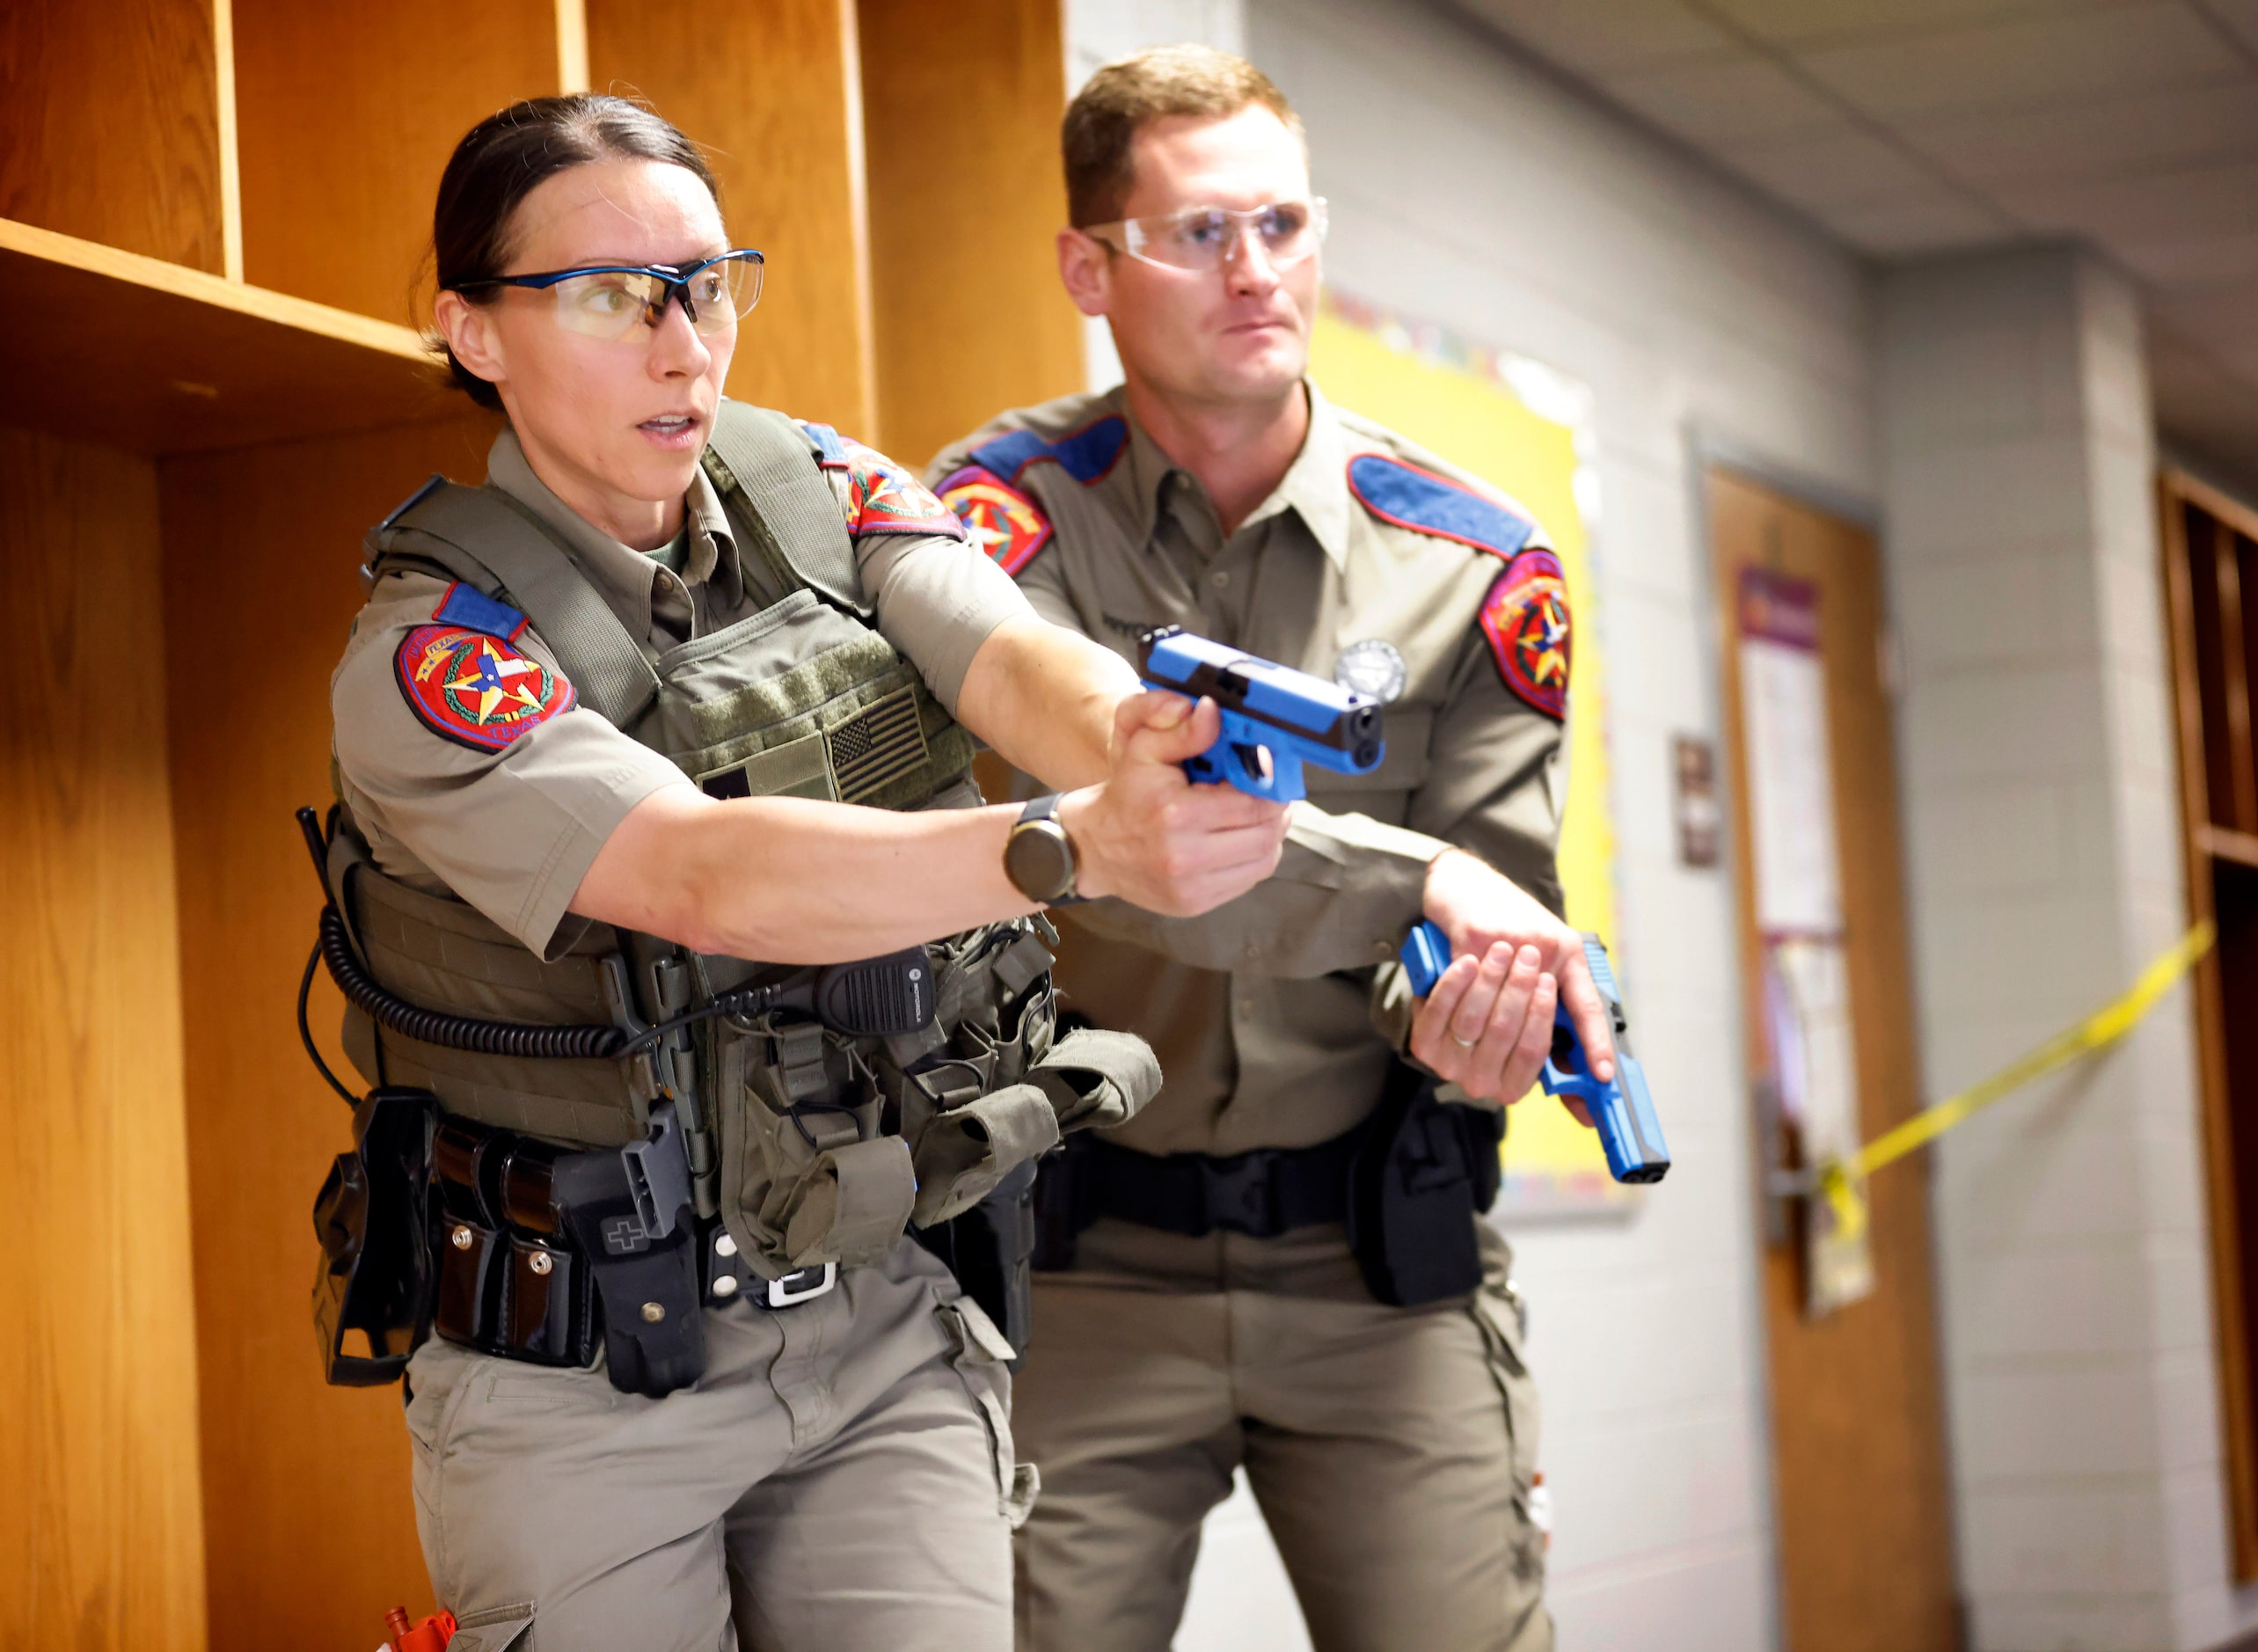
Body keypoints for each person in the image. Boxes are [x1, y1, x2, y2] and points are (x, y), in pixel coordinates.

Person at [317, 92, 1294, 1652]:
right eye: (611, 296)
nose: (683, 343)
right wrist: (1065, 845)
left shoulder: (819, 491)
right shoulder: (432, 661)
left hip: (883, 1308)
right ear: (474, 331)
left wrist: (1132, 737)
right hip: (586, 1377)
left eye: (708, 282)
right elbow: (703, 874)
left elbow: (1004, 657)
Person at [926, 47, 1615, 1652]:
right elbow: (1122, 854)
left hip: (1378, 1260)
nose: (1258, 274)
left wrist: (1478, 1019)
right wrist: (1408, 877)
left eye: (1286, 224)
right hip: (1079, 1254)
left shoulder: (1479, 558)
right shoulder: (984, 529)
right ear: (1087, 268)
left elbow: (1497, 899)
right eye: (1199, 234)